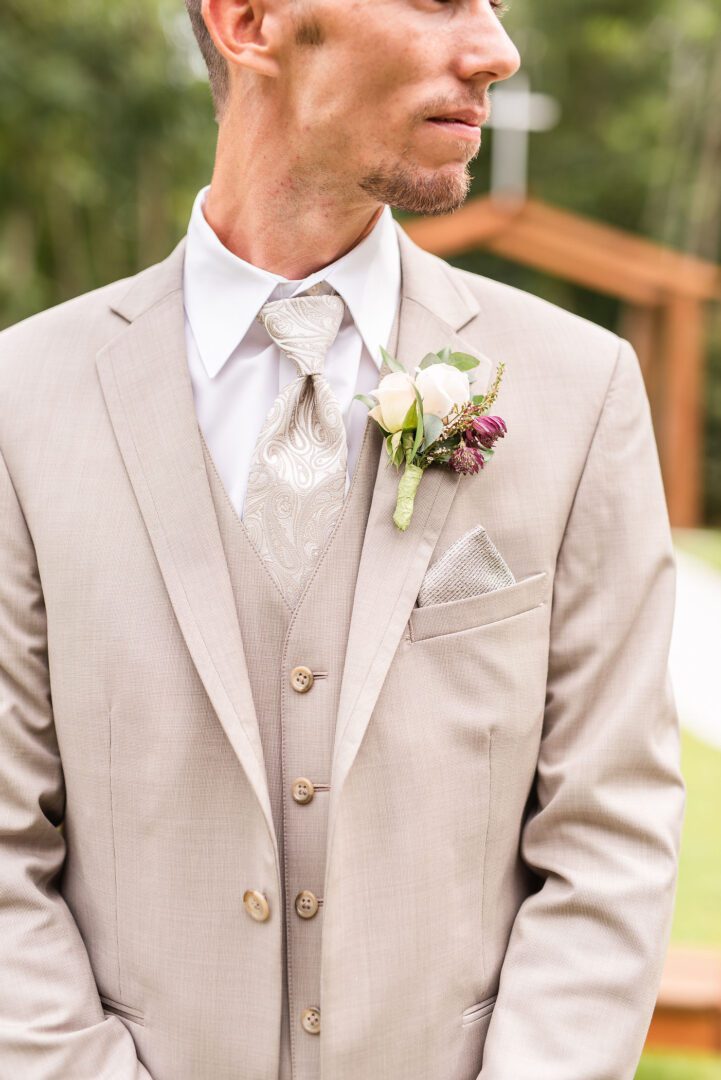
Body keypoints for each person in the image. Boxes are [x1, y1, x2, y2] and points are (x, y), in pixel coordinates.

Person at [0, 1, 684, 1078]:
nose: (496, 49)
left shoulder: (579, 390)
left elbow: (608, 832)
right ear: (252, 20)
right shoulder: (20, 399)